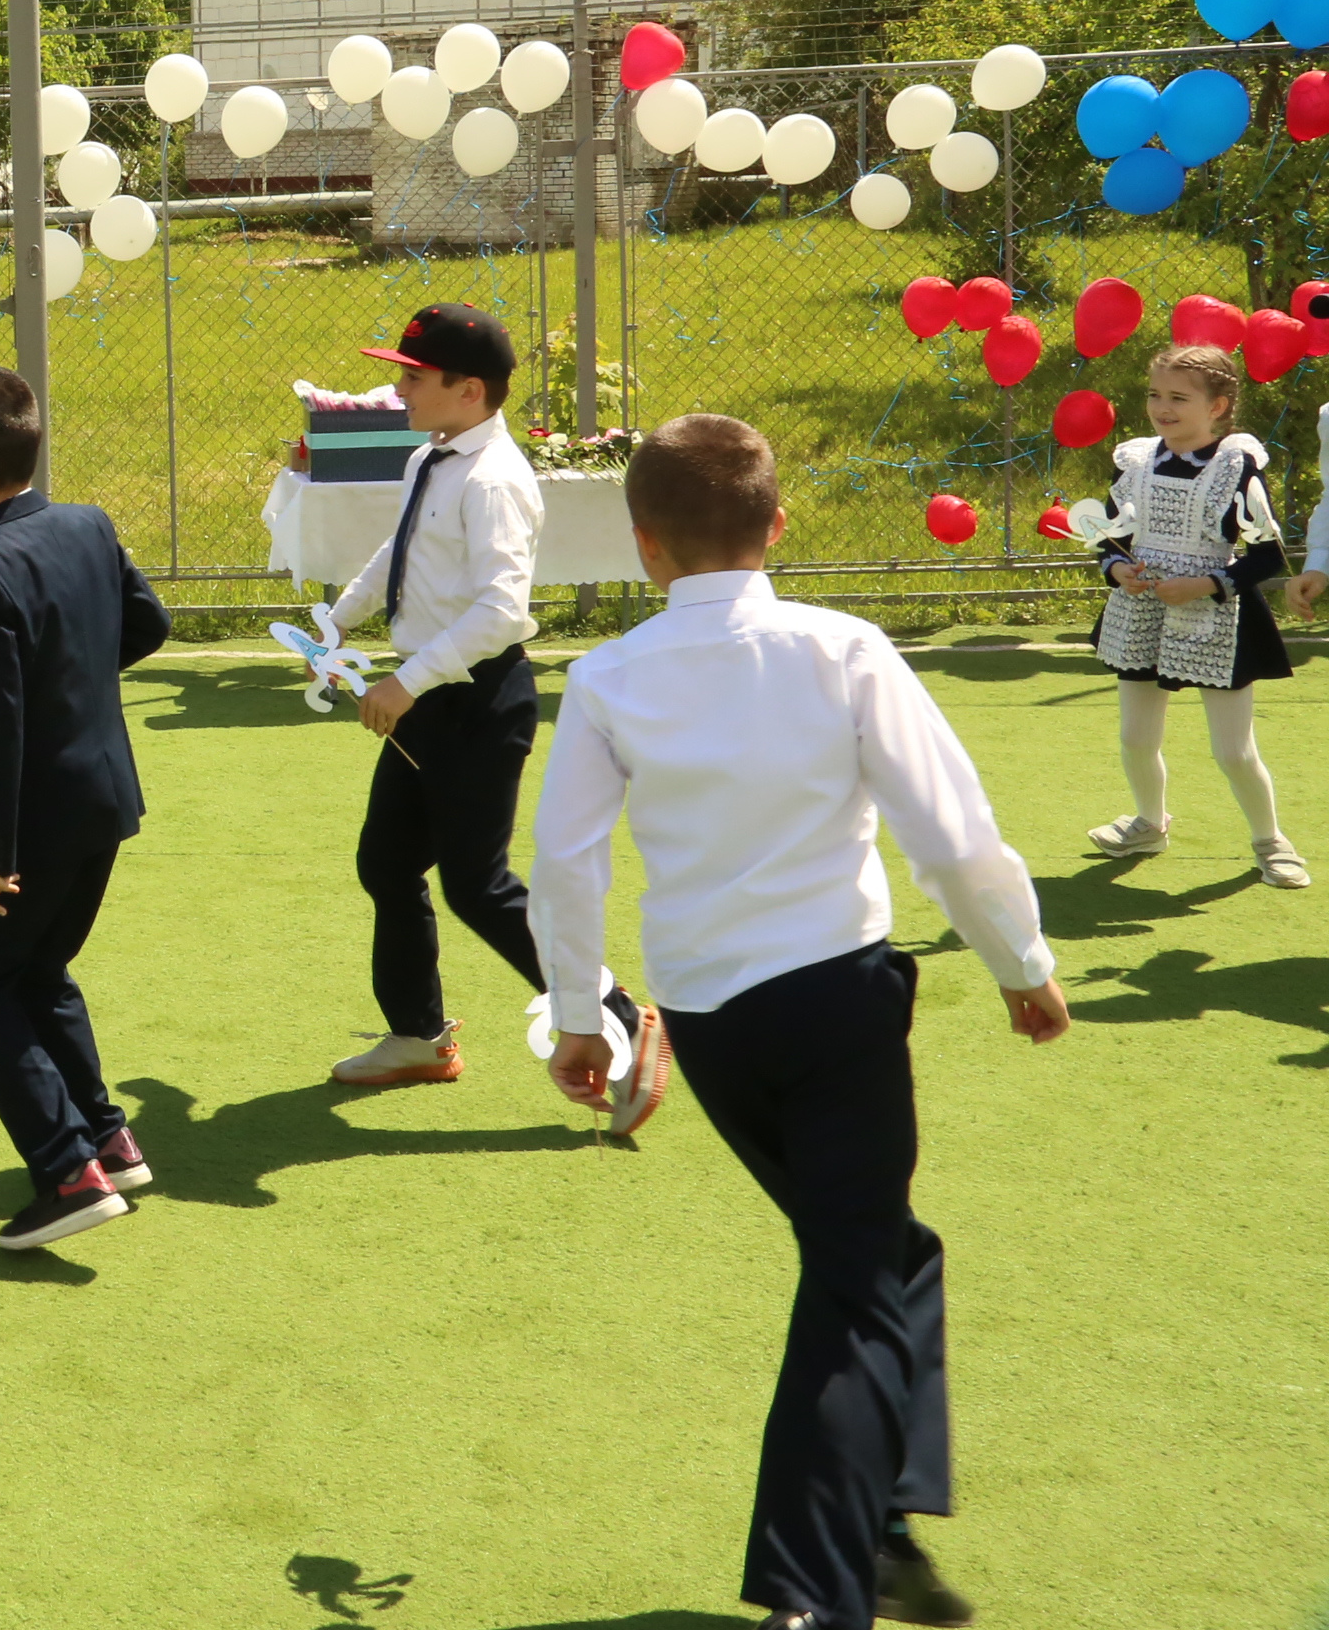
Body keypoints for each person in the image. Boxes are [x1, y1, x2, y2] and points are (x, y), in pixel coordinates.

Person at [531, 414, 1065, 1630]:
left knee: (880, 1255)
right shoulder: (844, 647)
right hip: (836, 999)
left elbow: (564, 859)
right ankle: (820, 1590)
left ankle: (878, 1526)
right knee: (858, 1274)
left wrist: (578, 1015)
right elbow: (951, 833)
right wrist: (1020, 961)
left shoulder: (607, 675)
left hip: (711, 1021)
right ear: (778, 524)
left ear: (642, 543)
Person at [306, 302, 657, 1102]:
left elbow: (501, 611)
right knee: (387, 864)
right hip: (432, 699)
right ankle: (418, 1037)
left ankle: (622, 1018)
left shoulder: (495, 479)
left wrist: (404, 682)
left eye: (414, 377)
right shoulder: (430, 457)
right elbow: (400, 550)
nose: (398, 391)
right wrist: (340, 618)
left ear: (469, 391)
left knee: (478, 886)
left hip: (479, 702)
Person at [0, 368, 172, 1248]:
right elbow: (149, 626)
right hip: (105, 800)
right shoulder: (87, 523)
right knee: (41, 971)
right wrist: (76, 679)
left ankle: (68, 1174)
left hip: (36, 824)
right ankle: (109, 1140)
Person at [1084, 340, 1303, 886]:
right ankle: (1149, 823)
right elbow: (1109, 537)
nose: (1162, 407)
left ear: (1218, 406)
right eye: (1154, 394)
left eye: (1179, 398)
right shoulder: (1135, 462)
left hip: (1217, 619)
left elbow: (1267, 557)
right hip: (1141, 614)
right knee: (1136, 738)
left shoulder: (1237, 467)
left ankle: (1270, 841)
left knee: (1233, 751)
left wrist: (1204, 584)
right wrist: (1118, 569)